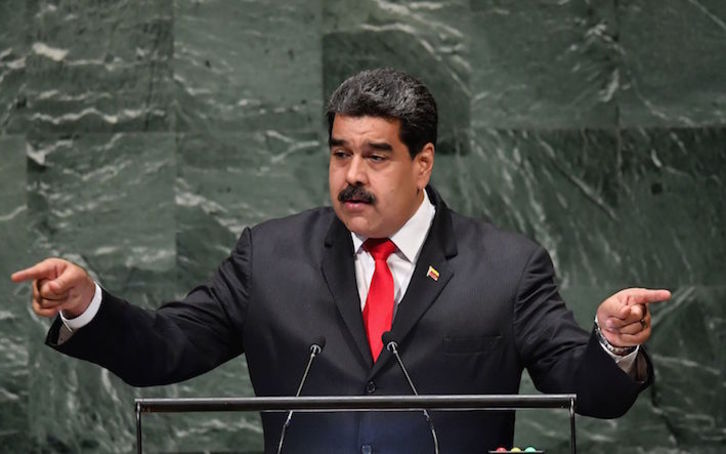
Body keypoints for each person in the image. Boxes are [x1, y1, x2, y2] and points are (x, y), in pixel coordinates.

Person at [11, 68, 670, 453]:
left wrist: (613, 339)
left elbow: (589, 395)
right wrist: (85, 304)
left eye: (375, 155)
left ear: (423, 162)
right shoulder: (269, 255)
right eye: (339, 153)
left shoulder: (506, 265)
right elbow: (165, 347)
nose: (351, 175)